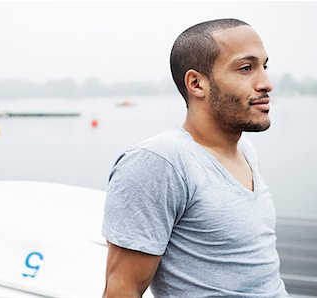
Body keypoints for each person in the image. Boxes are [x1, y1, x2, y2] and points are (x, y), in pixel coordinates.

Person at [102, 18, 289, 297]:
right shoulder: (160, 163)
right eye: (246, 68)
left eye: (265, 66)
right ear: (197, 83)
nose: (266, 83)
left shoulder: (245, 149)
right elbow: (122, 290)